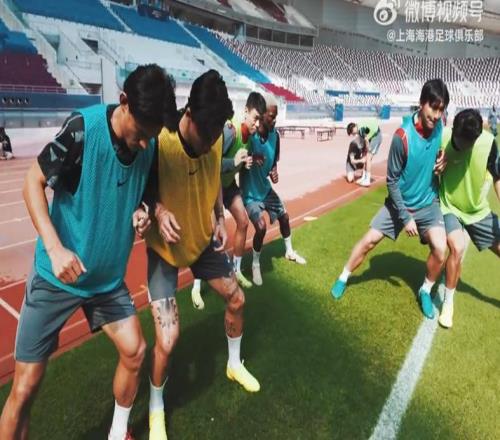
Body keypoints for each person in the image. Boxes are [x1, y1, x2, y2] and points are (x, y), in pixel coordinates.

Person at [0, 64, 177, 440]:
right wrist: (55, 248)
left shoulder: (149, 142)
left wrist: (145, 211)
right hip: (57, 277)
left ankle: (117, 433)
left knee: (135, 351)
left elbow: (145, 190)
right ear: (124, 101)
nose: (144, 144)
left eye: (151, 136)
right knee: (25, 387)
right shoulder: (82, 130)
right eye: (141, 133)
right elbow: (32, 182)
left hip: (106, 282)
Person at [142, 70, 260, 440]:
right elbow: (140, 188)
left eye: (215, 136)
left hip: (202, 242)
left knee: (237, 299)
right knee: (168, 339)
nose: (211, 144)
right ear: (189, 113)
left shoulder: (215, 136)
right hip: (164, 249)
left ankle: (234, 364)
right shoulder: (160, 141)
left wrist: (219, 217)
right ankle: (156, 407)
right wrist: (158, 211)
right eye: (206, 135)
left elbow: (213, 183)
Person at [330, 79, 449, 320]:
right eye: (433, 108)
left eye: (441, 109)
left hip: (428, 203)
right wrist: (405, 217)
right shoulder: (402, 137)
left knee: (440, 248)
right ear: (421, 103)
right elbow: (392, 181)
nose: (437, 115)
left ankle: (425, 290)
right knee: (369, 241)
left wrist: (443, 159)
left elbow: (443, 150)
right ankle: (343, 277)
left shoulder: (439, 127)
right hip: (399, 204)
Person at [190, 92, 266, 306]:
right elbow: (210, 163)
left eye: (260, 120)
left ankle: (236, 269)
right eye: (255, 118)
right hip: (211, 187)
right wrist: (234, 162)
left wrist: (247, 162)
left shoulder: (250, 138)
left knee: (243, 221)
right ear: (246, 112)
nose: (257, 124)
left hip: (228, 185)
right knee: (209, 236)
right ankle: (196, 286)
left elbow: (238, 161)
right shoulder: (230, 131)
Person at [437, 109, 500, 328]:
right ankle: (448, 304)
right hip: (449, 206)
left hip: (476, 210)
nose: (462, 147)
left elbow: (497, 178)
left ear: (477, 137)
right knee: (457, 247)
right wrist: (437, 168)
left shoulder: (488, 143)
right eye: (460, 141)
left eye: (468, 143)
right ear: (453, 130)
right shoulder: (443, 137)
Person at [240, 94, 306, 286]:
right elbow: (240, 159)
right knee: (261, 227)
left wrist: (274, 172)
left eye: (275, 116)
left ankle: (289, 251)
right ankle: (255, 264)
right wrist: (251, 159)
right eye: (271, 116)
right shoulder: (249, 136)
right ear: (262, 116)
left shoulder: (275, 136)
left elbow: (273, 162)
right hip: (250, 193)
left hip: (266, 190)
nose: (274, 120)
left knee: (284, 217)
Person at [346, 118, 383, 187]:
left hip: (376, 137)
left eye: (352, 133)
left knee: (368, 158)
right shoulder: (359, 128)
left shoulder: (360, 130)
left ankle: (367, 180)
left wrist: (368, 148)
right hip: (373, 137)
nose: (353, 135)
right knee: (366, 155)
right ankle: (364, 177)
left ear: (353, 128)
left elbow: (366, 140)